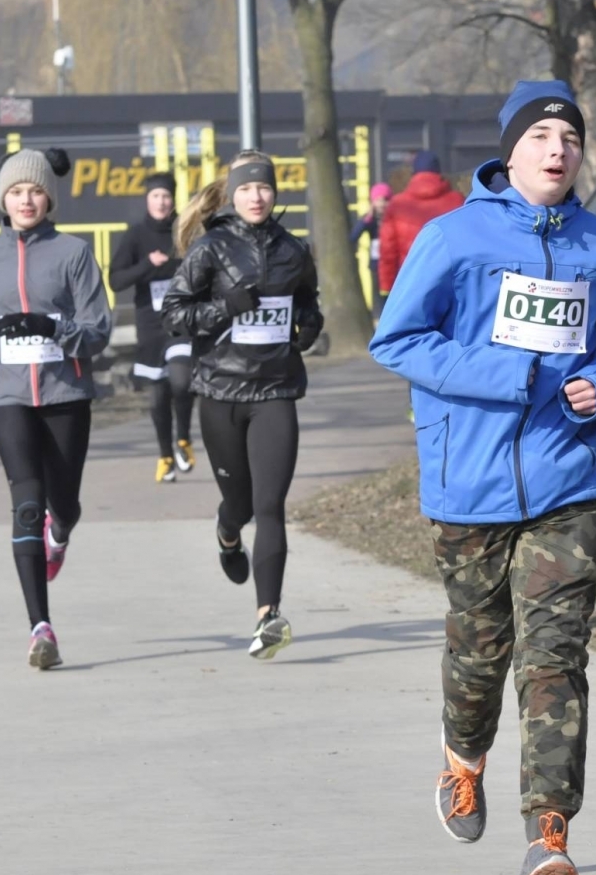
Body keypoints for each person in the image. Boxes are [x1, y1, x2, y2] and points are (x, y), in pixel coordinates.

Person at [368, 80, 596, 875]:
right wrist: (512, 372)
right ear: (511, 149)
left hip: (570, 478)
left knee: (555, 657)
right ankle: (463, 762)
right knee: (480, 647)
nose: (557, 149)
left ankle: (548, 836)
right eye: (541, 136)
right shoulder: (453, 238)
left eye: (569, 136)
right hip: (470, 480)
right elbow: (400, 338)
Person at [162, 151, 324, 660]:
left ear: (276, 194)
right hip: (221, 391)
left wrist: (311, 327)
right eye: (248, 188)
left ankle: (268, 617)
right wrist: (224, 307)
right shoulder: (210, 248)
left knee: (270, 507)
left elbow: (308, 302)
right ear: (233, 194)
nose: (257, 196)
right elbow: (174, 314)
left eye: (266, 188)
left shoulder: (294, 250)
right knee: (240, 506)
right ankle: (228, 533)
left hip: (275, 392)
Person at [0, 148, 112, 670]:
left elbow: (99, 330)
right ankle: (39, 628)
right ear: (3, 199)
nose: (27, 200)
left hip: (66, 394)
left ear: (50, 198)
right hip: (8, 396)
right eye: (17, 192)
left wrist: (54, 329)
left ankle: (60, 531)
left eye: (36, 191)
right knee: (26, 502)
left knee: (62, 503)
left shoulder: (74, 253)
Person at [111, 172, 195, 483]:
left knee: (182, 380)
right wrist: (149, 263)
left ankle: (184, 438)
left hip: (182, 321)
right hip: (149, 324)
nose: (162, 201)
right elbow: (116, 279)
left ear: (174, 199)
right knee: (158, 397)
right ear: (148, 200)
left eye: (167, 196)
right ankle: (165, 456)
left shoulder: (185, 230)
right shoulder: (135, 236)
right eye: (156, 196)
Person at [378, 150, 463, 296]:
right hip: (450, 284)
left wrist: (386, 287)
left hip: (409, 284)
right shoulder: (457, 201)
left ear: (414, 174)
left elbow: (388, 250)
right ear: (439, 172)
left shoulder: (397, 205)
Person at [351, 182, 392, 319]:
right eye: (379, 200)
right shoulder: (370, 220)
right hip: (376, 264)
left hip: (392, 263)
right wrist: (367, 219)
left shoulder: (393, 218)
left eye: (385, 200)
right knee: (378, 296)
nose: (382, 204)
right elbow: (354, 235)